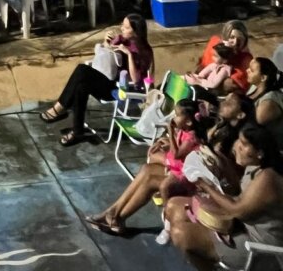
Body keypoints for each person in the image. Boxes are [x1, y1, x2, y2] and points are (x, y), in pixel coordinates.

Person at [166, 124, 283, 271]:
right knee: (173, 205)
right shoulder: (255, 166)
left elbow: (237, 210)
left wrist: (205, 185)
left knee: (181, 234)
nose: (237, 146)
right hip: (240, 227)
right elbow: (238, 191)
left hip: (260, 248)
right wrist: (223, 166)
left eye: (244, 144)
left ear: (260, 153)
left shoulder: (268, 178)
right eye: (239, 140)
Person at [85, 99, 203, 236]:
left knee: (150, 181)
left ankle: (118, 217)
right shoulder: (185, 130)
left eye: (177, 115)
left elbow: (177, 155)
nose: (173, 118)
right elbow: (177, 149)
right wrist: (166, 142)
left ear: (188, 121)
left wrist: (170, 132)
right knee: (147, 169)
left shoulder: (193, 137)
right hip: (175, 171)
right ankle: (113, 212)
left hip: (184, 179)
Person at [39, 14, 153, 147]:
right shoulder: (122, 39)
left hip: (122, 89)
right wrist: (106, 43)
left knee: (82, 70)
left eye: (126, 27)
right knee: (81, 85)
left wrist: (129, 55)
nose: (122, 28)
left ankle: (60, 108)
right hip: (109, 80)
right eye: (122, 25)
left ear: (136, 32)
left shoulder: (144, 51)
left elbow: (136, 80)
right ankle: (77, 131)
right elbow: (105, 56)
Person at [194, 20, 253, 94]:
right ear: (225, 37)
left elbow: (232, 84)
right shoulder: (214, 44)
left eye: (240, 39)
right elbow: (202, 66)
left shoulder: (245, 59)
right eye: (232, 37)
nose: (235, 42)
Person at [246, 57, 283, 149]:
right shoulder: (254, 88)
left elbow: (256, 122)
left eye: (252, 70)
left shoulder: (270, 100)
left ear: (263, 78)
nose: (247, 71)